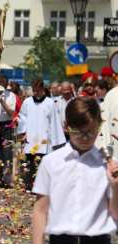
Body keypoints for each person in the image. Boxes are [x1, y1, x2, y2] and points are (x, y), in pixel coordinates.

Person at [32, 97, 118, 244]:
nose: (85, 138)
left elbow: (115, 213)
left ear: (99, 126)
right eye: (78, 132)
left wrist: (115, 187)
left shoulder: (107, 164)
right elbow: (40, 210)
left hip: (98, 239)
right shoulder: (51, 162)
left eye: (91, 132)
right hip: (61, 239)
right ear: (66, 126)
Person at [17, 79, 66, 190]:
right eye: (34, 91)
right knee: (29, 163)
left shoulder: (49, 103)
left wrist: (56, 141)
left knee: (43, 164)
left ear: (43, 90)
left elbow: (54, 122)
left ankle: (43, 187)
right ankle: (29, 185)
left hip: (45, 139)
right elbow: (23, 118)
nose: (35, 93)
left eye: (38, 91)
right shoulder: (27, 102)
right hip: (30, 137)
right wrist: (22, 131)